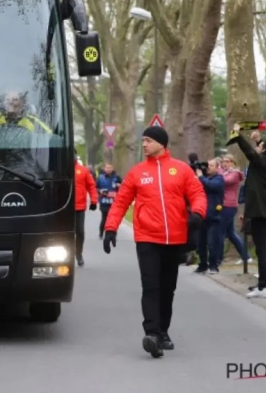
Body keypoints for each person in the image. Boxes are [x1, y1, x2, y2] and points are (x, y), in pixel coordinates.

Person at [102, 126, 206, 358]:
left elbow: (197, 193)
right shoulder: (137, 172)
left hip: (175, 238)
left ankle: (163, 331)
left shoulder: (180, 170)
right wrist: (110, 228)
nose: (144, 144)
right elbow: (120, 202)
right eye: (143, 140)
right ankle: (151, 334)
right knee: (151, 286)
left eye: (148, 140)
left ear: (161, 143)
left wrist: (198, 213)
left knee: (168, 288)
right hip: (147, 238)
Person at [227, 123, 266, 299]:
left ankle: (263, 286)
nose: (256, 148)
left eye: (259, 146)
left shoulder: (261, 162)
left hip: (260, 213)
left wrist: (237, 134)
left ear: (263, 150)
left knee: (262, 250)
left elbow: (250, 152)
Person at [218, 154, 249, 265]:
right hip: (224, 205)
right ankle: (246, 256)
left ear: (233, 162)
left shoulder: (235, 173)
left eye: (227, 161)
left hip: (229, 205)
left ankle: (218, 259)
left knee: (220, 232)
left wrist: (219, 171)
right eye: (223, 161)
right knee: (230, 233)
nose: (224, 163)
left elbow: (225, 181)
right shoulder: (223, 172)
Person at [195, 158, 224, 274]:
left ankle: (213, 265)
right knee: (200, 243)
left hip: (213, 216)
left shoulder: (219, 179)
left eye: (211, 165)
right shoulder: (203, 179)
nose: (208, 167)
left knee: (212, 243)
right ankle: (202, 264)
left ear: (217, 167)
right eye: (208, 165)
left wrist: (201, 177)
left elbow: (211, 186)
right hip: (201, 214)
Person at [74, 154, 97, 267]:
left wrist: (94, 200)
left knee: (80, 232)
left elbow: (91, 186)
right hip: (64, 208)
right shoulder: (60, 170)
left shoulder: (83, 171)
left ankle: (78, 254)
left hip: (79, 207)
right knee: (65, 234)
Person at [96, 163, 122, 239]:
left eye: (110, 168)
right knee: (104, 218)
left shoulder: (117, 177)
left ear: (113, 168)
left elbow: (124, 187)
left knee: (113, 219)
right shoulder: (100, 177)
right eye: (107, 168)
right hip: (104, 201)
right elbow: (96, 187)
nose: (109, 169)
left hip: (114, 202)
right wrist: (100, 191)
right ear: (104, 169)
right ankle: (101, 233)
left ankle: (112, 235)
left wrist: (119, 186)